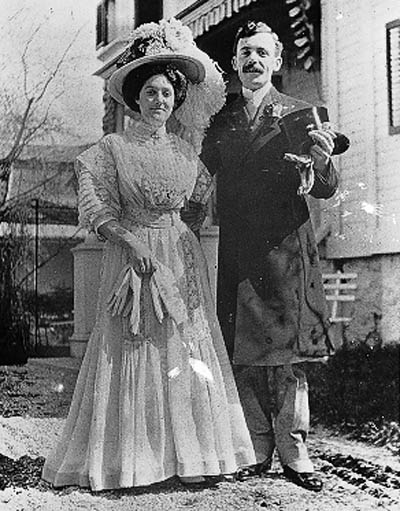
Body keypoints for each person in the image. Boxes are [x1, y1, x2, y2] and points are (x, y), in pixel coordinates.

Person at [42, 19, 256, 491]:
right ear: (136, 98)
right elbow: (96, 210)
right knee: (134, 346)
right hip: (132, 255)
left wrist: (181, 238)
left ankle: (192, 457)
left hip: (181, 258)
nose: (160, 101)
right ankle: (133, 462)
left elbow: (198, 206)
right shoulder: (111, 149)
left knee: (183, 348)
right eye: (152, 92)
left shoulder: (186, 152)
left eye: (167, 94)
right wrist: (135, 242)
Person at [201, 20, 340, 492]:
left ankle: (295, 451)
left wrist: (321, 163)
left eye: (262, 52)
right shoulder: (221, 120)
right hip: (238, 252)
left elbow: (326, 185)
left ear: (277, 61)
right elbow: (199, 179)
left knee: (286, 357)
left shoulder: (300, 113)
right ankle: (257, 447)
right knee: (244, 351)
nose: (253, 61)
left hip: (285, 252)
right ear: (235, 62)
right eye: (245, 53)